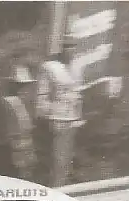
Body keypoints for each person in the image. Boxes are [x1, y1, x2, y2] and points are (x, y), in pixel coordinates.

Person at [36, 35, 86, 187]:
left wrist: (79, 115)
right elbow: (42, 93)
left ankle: (65, 188)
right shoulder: (50, 67)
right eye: (66, 47)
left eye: (72, 47)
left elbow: (78, 91)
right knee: (57, 159)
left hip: (73, 117)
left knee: (67, 158)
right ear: (61, 49)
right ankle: (57, 189)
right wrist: (46, 116)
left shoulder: (78, 66)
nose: (70, 50)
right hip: (57, 118)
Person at [0, 57, 39, 181]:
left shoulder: (23, 103)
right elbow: (6, 133)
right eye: (19, 85)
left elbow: (27, 129)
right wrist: (16, 155)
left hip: (25, 152)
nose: (23, 89)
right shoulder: (5, 103)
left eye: (25, 85)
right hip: (13, 155)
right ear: (13, 85)